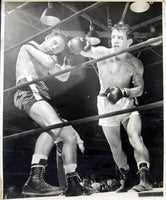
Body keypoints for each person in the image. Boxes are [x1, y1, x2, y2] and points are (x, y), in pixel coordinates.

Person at [68, 23, 152, 192]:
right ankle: (127, 177)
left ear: (129, 41)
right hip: (105, 103)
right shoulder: (101, 53)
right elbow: (83, 50)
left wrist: (123, 91)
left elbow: (140, 89)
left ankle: (145, 178)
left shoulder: (136, 63)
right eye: (113, 37)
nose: (115, 40)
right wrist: (75, 44)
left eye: (120, 38)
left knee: (135, 137)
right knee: (115, 147)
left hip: (125, 101)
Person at [14, 29, 87, 197]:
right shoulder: (29, 46)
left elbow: (63, 77)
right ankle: (34, 180)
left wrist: (67, 57)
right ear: (47, 37)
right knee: (54, 124)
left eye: (57, 49)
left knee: (69, 135)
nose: (53, 48)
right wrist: (55, 58)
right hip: (28, 88)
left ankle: (73, 183)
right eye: (54, 43)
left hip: (40, 93)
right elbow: (49, 64)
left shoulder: (48, 58)